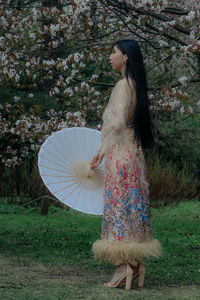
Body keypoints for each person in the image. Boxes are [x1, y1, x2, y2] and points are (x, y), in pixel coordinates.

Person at [89, 40, 161, 290]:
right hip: (134, 154)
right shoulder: (136, 85)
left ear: (126, 57)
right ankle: (136, 263)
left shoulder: (122, 85)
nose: (110, 57)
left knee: (119, 208)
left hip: (120, 155)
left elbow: (118, 122)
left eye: (113, 53)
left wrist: (100, 150)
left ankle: (123, 266)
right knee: (133, 207)